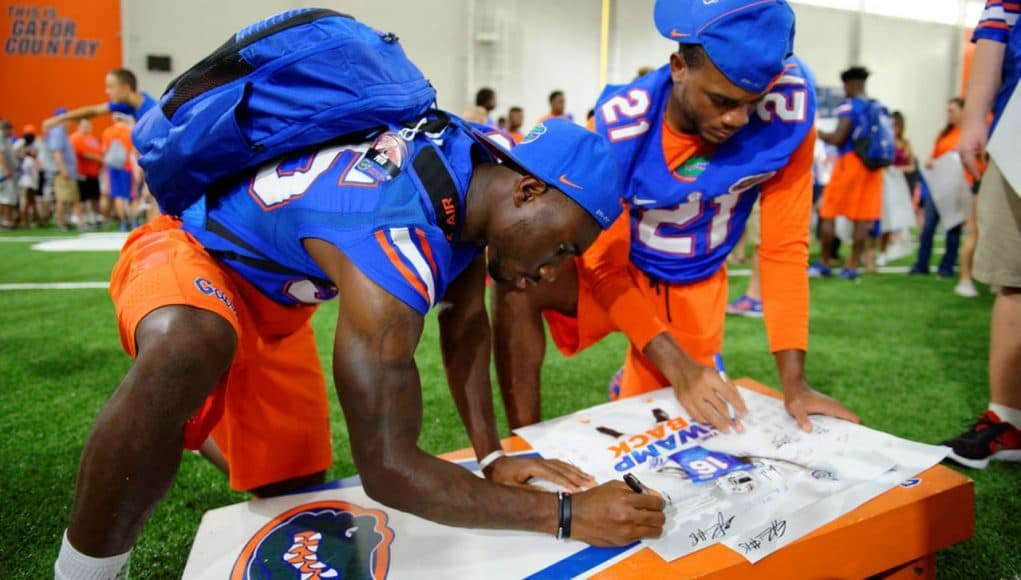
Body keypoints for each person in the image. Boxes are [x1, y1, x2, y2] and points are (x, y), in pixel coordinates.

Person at [53, 115, 667, 579]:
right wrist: (567, 515)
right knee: (191, 346)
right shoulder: (396, 235)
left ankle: (189, 418)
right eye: (562, 248)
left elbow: (464, 322)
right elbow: (391, 472)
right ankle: (82, 570)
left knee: (292, 488)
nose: (548, 272)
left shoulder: (477, 172)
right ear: (531, 193)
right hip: (191, 254)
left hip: (280, 298)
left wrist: (491, 455)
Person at [492, 0, 859, 435]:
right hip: (621, 271)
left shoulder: (789, 109)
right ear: (679, 66)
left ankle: (644, 373)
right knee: (516, 281)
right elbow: (604, 265)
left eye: (753, 102)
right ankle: (523, 440)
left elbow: (784, 249)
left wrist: (795, 384)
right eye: (722, 100)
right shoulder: (618, 128)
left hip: (694, 283)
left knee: (684, 426)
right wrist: (676, 365)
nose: (737, 119)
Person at [941, 0, 1021, 469]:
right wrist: (974, 118)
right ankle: (1007, 418)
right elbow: (995, 31)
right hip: (1014, 126)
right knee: (1011, 275)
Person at [811, 66, 885, 281]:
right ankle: (852, 267)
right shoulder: (875, 106)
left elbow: (837, 138)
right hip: (872, 168)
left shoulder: (849, 106)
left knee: (827, 213)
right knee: (861, 219)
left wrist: (815, 131)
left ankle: (824, 263)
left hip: (850, 164)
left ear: (851, 84)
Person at [910, 98, 977, 286]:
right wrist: (931, 161)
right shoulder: (944, 134)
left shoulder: (968, 134)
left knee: (952, 228)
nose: (949, 114)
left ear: (963, 112)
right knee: (928, 227)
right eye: (948, 111)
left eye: (952, 110)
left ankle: (946, 267)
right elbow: (934, 155)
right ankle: (921, 264)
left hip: (957, 188)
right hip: (938, 188)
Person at [42, 68, 156, 131]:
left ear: (125, 88)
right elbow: (93, 111)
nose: (107, 92)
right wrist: (58, 119)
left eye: (111, 87)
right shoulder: (129, 104)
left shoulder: (150, 111)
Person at [45, 109, 83, 232]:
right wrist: (63, 169)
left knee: (69, 198)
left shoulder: (62, 132)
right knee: (62, 199)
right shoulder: (58, 132)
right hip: (63, 171)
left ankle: (65, 222)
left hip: (68, 170)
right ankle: (61, 224)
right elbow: (57, 152)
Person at [101, 114, 136, 231]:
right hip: (127, 167)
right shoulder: (129, 131)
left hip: (113, 167)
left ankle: (123, 222)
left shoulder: (108, 131)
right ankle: (132, 220)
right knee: (131, 195)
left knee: (117, 195)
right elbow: (134, 150)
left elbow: (105, 151)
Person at [70, 119, 104, 229]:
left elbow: (99, 152)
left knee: (95, 197)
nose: (87, 127)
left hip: (93, 173)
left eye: (88, 125)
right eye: (84, 125)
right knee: (81, 199)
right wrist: (100, 159)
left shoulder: (92, 139)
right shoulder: (75, 138)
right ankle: (81, 220)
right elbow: (83, 153)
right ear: (79, 126)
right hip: (82, 173)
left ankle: (96, 218)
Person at [17, 134, 42, 228]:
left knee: (32, 201)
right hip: (27, 183)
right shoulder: (28, 160)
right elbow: (29, 174)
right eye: (34, 151)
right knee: (27, 202)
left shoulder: (31, 160)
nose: (36, 152)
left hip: (31, 183)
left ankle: (37, 219)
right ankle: (24, 221)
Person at [0, 120, 17, 228]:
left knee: (8, 198)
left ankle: (6, 220)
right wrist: (5, 169)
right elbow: (0, 153)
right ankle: (3, 221)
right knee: (4, 198)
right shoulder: (0, 137)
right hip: (3, 173)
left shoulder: (6, 139)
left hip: (7, 172)